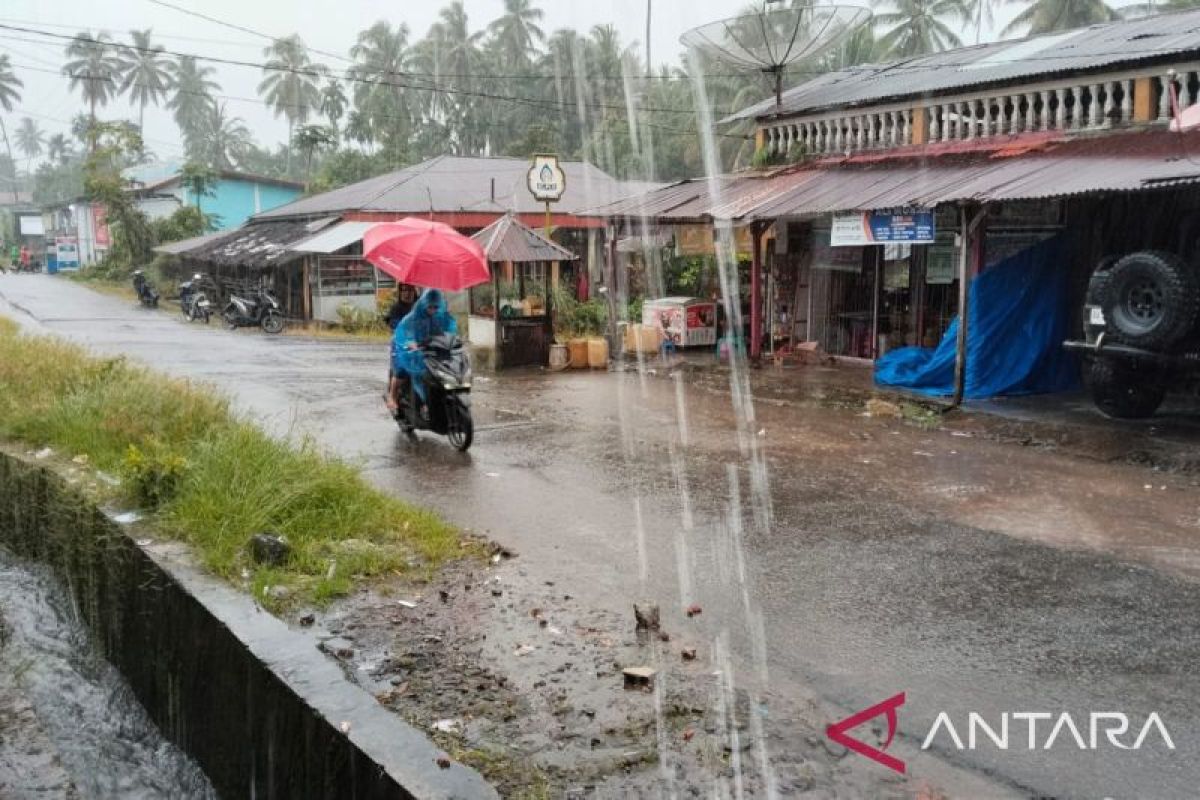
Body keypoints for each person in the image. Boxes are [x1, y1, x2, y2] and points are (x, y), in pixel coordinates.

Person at [387, 288, 458, 419]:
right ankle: (392, 397)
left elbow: (449, 330)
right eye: (430, 306)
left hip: (428, 349)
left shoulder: (439, 316)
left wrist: (448, 321)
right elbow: (402, 332)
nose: (433, 309)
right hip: (405, 349)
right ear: (424, 304)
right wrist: (410, 342)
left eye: (436, 307)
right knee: (403, 371)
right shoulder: (411, 318)